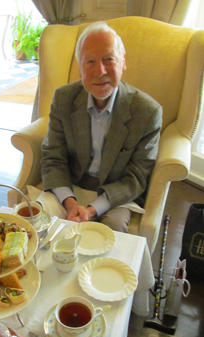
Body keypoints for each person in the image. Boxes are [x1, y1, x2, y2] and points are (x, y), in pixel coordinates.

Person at [40, 21, 162, 232]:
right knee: (37, 219)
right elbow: (53, 157)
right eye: (90, 62)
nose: (100, 71)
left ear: (123, 62)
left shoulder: (147, 111)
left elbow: (137, 177)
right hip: (72, 184)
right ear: (79, 69)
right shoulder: (63, 98)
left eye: (109, 59)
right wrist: (70, 203)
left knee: (113, 228)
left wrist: (92, 209)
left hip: (115, 193)